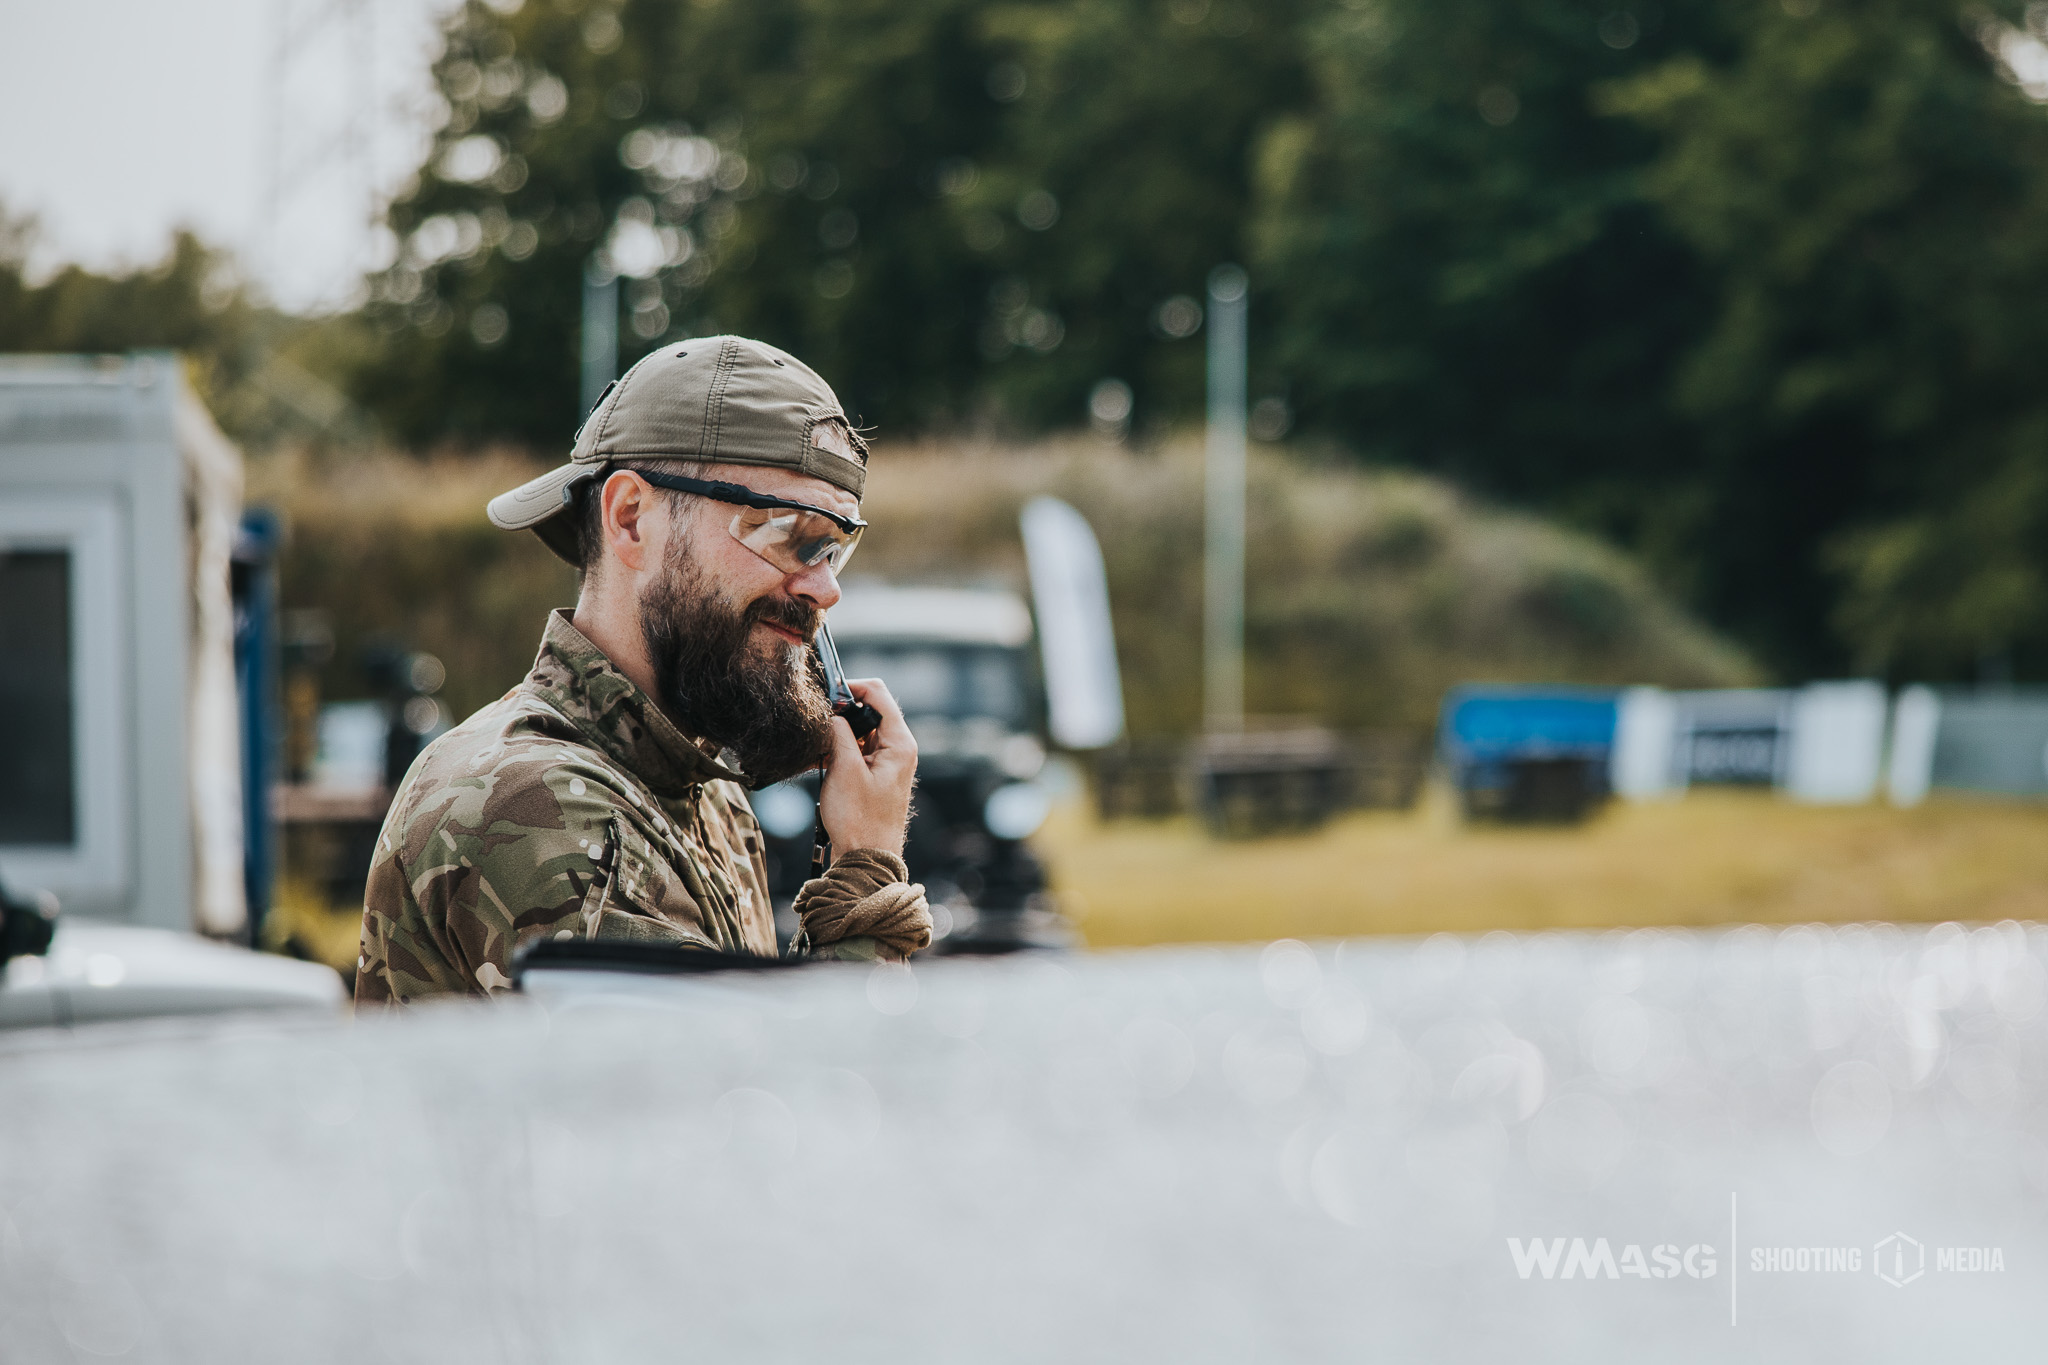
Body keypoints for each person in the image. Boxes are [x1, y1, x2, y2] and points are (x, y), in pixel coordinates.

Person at [353, 336, 930, 1004]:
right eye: (786, 532)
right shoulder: (536, 805)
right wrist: (862, 879)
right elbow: (754, 1077)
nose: (826, 590)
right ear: (631, 519)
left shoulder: (700, 786)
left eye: (832, 548)